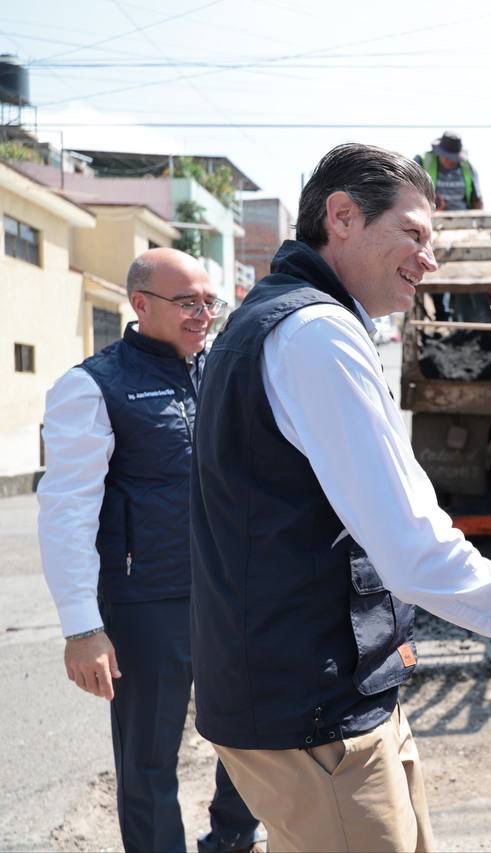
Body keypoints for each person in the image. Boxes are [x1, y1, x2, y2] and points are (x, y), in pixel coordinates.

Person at [189, 142, 491, 852]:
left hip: (323, 699)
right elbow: (413, 549)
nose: (431, 260)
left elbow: (397, 519)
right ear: (343, 217)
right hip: (314, 716)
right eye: (413, 234)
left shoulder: (282, 319)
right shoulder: (317, 332)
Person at [37, 248, 264, 853]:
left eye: (209, 302)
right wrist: (83, 626)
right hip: (149, 602)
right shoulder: (92, 387)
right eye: (187, 302)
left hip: (231, 591)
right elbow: (67, 511)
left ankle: (233, 842)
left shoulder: (226, 371)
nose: (203, 314)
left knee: (252, 736)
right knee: (148, 761)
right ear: (140, 305)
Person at [414, 131, 483, 211]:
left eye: (453, 158)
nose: (450, 160)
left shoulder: (467, 167)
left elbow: (476, 200)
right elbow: (409, 192)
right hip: (431, 218)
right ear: (439, 152)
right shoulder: (422, 162)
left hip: (463, 218)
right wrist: (429, 199)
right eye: (446, 156)